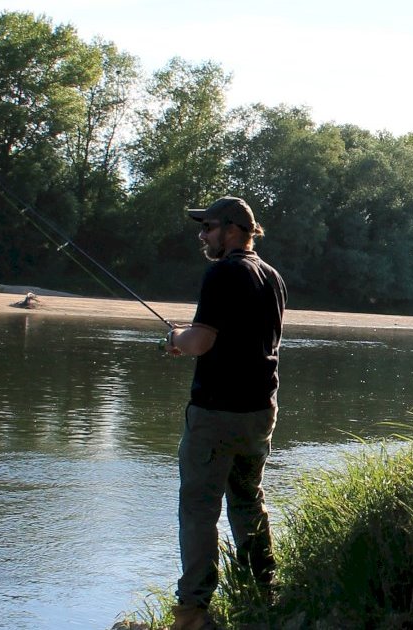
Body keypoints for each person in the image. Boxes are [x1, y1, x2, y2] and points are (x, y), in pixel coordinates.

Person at [160, 196, 287, 630]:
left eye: (208, 227)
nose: (202, 235)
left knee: (198, 509)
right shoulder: (272, 277)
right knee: (248, 502)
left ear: (232, 229)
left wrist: (176, 337)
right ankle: (263, 592)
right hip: (260, 411)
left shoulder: (222, 273)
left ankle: (193, 612)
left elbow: (202, 341)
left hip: (216, 413)